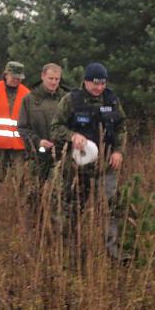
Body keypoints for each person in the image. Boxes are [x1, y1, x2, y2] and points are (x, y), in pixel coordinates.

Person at [50, 62, 126, 258]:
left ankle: (114, 250)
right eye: (95, 84)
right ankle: (68, 251)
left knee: (112, 206)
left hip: (106, 165)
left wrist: (119, 151)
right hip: (77, 167)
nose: (99, 88)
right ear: (85, 81)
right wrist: (72, 136)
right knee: (72, 208)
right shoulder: (71, 100)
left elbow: (121, 127)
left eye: (102, 84)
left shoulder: (112, 100)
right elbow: (56, 127)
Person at [18, 63, 67, 181]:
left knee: (58, 194)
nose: (54, 82)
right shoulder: (29, 99)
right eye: (51, 78)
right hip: (37, 157)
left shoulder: (66, 99)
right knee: (33, 193)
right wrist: (38, 141)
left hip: (61, 156)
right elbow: (22, 128)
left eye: (57, 79)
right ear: (43, 76)